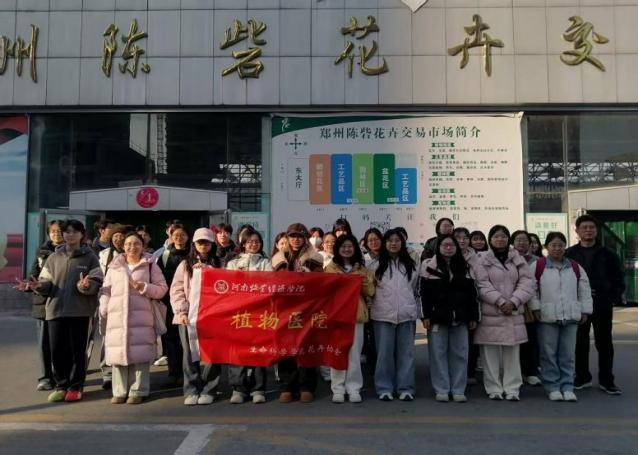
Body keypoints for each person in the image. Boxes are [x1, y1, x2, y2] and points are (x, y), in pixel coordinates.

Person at [24, 220, 103, 403]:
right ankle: (61, 386)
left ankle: (75, 387)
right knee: (57, 351)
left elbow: (97, 280)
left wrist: (86, 285)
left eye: (75, 232)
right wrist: (38, 286)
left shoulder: (90, 257)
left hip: (80, 311)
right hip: (55, 310)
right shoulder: (54, 257)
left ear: (82, 235)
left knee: (77, 351)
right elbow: (46, 282)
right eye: (67, 232)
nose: (70, 235)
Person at [99, 232, 168, 404]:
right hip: (117, 316)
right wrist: (104, 307)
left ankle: (139, 390)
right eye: (128, 243)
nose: (132, 247)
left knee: (140, 354)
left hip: (142, 317)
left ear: (143, 246)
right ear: (123, 246)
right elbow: (106, 289)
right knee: (118, 354)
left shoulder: (150, 265)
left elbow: (162, 289)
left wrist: (144, 286)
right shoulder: (115, 266)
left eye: (136, 243)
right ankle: (119, 391)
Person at [474, 225, 535, 401]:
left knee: (512, 352)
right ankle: (493, 388)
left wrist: (514, 301)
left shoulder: (517, 258)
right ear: (490, 239)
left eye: (503, 236)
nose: (500, 239)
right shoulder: (482, 259)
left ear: (508, 239)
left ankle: (512, 388)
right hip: (491, 312)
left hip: (512, 312)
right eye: (496, 236)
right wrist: (500, 301)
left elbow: (527, 282)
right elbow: (481, 284)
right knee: (490, 353)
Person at [530, 232, 593, 402]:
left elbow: (584, 290)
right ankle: (552, 387)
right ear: (546, 247)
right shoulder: (538, 266)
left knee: (568, 355)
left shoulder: (575, 267)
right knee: (548, 354)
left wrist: (585, 311)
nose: (557, 248)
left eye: (560, 245)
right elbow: (531, 289)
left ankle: (567, 386)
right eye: (553, 245)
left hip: (571, 316)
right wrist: (535, 308)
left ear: (565, 247)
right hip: (547, 316)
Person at [566, 214, 625, 395]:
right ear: (577, 231)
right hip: (578, 305)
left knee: (604, 343)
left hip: (602, 304)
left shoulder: (609, 254)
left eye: (591, 227)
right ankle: (583, 377)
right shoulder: (569, 254)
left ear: (596, 230)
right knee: (580, 343)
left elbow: (618, 278)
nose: (588, 230)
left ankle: (607, 380)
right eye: (584, 228)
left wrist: (612, 297)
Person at [421, 235, 479, 402]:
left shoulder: (466, 267)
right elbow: (423, 294)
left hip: (461, 317)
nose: (448, 248)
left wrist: (473, 316)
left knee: (460, 354)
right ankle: (442, 389)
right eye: (444, 245)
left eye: (451, 245)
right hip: (437, 318)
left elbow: (473, 294)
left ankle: (458, 389)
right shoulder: (429, 267)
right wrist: (425, 316)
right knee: (438, 354)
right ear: (438, 247)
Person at [272, 223, 323, 403]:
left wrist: (308, 274)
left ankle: (306, 386)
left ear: (305, 239)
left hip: (307, 309)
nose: (296, 240)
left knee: (306, 348)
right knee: (286, 348)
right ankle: (287, 386)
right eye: (293, 236)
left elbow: (321, 282)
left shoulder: (315, 257)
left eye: (300, 236)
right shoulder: (278, 258)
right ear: (287, 238)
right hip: (285, 310)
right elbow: (274, 282)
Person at [170, 227, 222, 405]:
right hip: (188, 317)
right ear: (194, 244)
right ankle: (191, 389)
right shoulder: (185, 265)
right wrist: (182, 311)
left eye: (207, 242)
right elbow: (176, 289)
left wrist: (209, 271)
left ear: (212, 244)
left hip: (213, 317)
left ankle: (209, 389)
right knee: (188, 354)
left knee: (212, 354)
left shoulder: (219, 264)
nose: (203, 245)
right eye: (200, 242)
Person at [369, 228, 419, 401]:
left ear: (402, 243)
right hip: (383, 315)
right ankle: (384, 387)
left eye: (397, 240)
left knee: (406, 354)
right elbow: (370, 290)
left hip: (406, 314)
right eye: (390, 240)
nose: (393, 243)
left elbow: (415, 289)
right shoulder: (375, 265)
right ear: (385, 243)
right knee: (384, 355)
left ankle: (406, 388)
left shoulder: (411, 264)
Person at [324, 234, 375, 403]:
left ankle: (354, 388)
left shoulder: (361, 269)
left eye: (350, 246)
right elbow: (325, 292)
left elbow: (370, 291)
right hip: (337, 317)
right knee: (338, 353)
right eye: (343, 246)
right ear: (337, 249)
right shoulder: (330, 269)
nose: (346, 249)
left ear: (355, 249)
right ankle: (338, 389)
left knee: (354, 354)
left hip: (356, 316)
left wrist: (362, 282)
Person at [226, 227, 273, 404]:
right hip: (238, 313)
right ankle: (238, 388)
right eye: (250, 241)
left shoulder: (265, 263)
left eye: (257, 241)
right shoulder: (233, 263)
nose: (254, 244)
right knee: (237, 351)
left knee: (258, 350)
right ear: (243, 244)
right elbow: (229, 286)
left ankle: (258, 388)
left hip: (259, 313)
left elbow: (269, 284)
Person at [20, 220, 65, 391]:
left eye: (60, 231)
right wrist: (28, 285)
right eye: (53, 231)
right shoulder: (42, 252)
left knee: (62, 343)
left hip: (64, 303)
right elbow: (34, 275)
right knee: (44, 344)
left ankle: (62, 377)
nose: (56, 234)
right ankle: (46, 377)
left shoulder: (72, 251)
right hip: (43, 303)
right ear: (48, 233)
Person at [453, 227, 488, 386]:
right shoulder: (446, 255)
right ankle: (455, 374)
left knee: (471, 340)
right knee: (454, 342)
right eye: (458, 237)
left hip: (472, 303)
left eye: (465, 237)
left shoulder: (477, 258)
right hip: (452, 305)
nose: (462, 240)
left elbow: (482, 280)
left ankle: (470, 371)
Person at [157, 224, 190, 385]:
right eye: (176, 234)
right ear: (170, 236)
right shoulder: (164, 256)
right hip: (169, 303)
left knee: (187, 339)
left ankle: (187, 373)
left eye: (182, 234)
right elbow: (158, 277)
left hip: (190, 302)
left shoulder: (192, 254)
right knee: (171, 338)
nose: (179, 237)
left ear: (188, 237)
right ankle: (173, 372)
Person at [510, 230, 542, 387]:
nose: (521, 243)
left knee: (531, 339)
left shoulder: (537, 261)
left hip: (529, 305)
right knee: (513, 340)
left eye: (525, 240)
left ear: (530, 244)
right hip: (511, 304)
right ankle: (515, 372)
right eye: (518, 240)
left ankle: (531, 372)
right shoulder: (507, 259)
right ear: (512, 243)